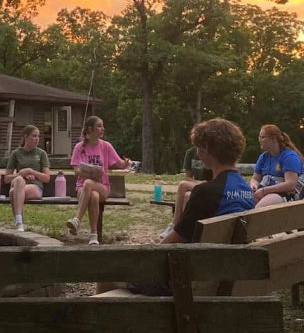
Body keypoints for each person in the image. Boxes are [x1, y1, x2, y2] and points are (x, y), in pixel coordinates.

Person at [111, 118, 254, 296]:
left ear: (209, 149)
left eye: (199, 147)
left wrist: (143, 261)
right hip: (227, 274)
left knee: (109, 274)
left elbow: (172, 242)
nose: (198, 152)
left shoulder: (206, 192)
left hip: (190, 282)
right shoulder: (246, 190)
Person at [66, 116, 130, 246]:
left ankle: (77, 219)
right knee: (92, 195)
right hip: (82, 188)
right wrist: (89, 173)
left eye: (102, 126)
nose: (103, 129)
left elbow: (119, 164)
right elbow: (76, 170)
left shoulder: (106, 146)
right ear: (91, 129)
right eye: (99, 126)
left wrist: (126, 163)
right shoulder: (79, 147)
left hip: (103, 187)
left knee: (89, 184)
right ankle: (93, 235)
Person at [4, 125, 50, 232]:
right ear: (26, 137)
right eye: (34, 136)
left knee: (12, 192)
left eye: (38, 136)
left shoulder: (41, 153)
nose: (37, 139)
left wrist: (31, 171)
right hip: (19, 183)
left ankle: (18, 221)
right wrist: (21, 174)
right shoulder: (16, 153)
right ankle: (19, 221)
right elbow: (7, 178)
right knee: (19, 181)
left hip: (35, 187)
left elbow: (47, 178)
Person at [250, 124, 304, 207]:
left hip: (285, 195)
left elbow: (290, 184)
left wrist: (264, 191)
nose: (259, 140)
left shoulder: (289, 157)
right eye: (259, 137)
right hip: (264, 191)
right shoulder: (264, 157)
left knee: (259, 208)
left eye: (263, 137)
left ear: (273, 139)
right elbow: (255, 178)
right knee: (241, 203)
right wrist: (253, 185)